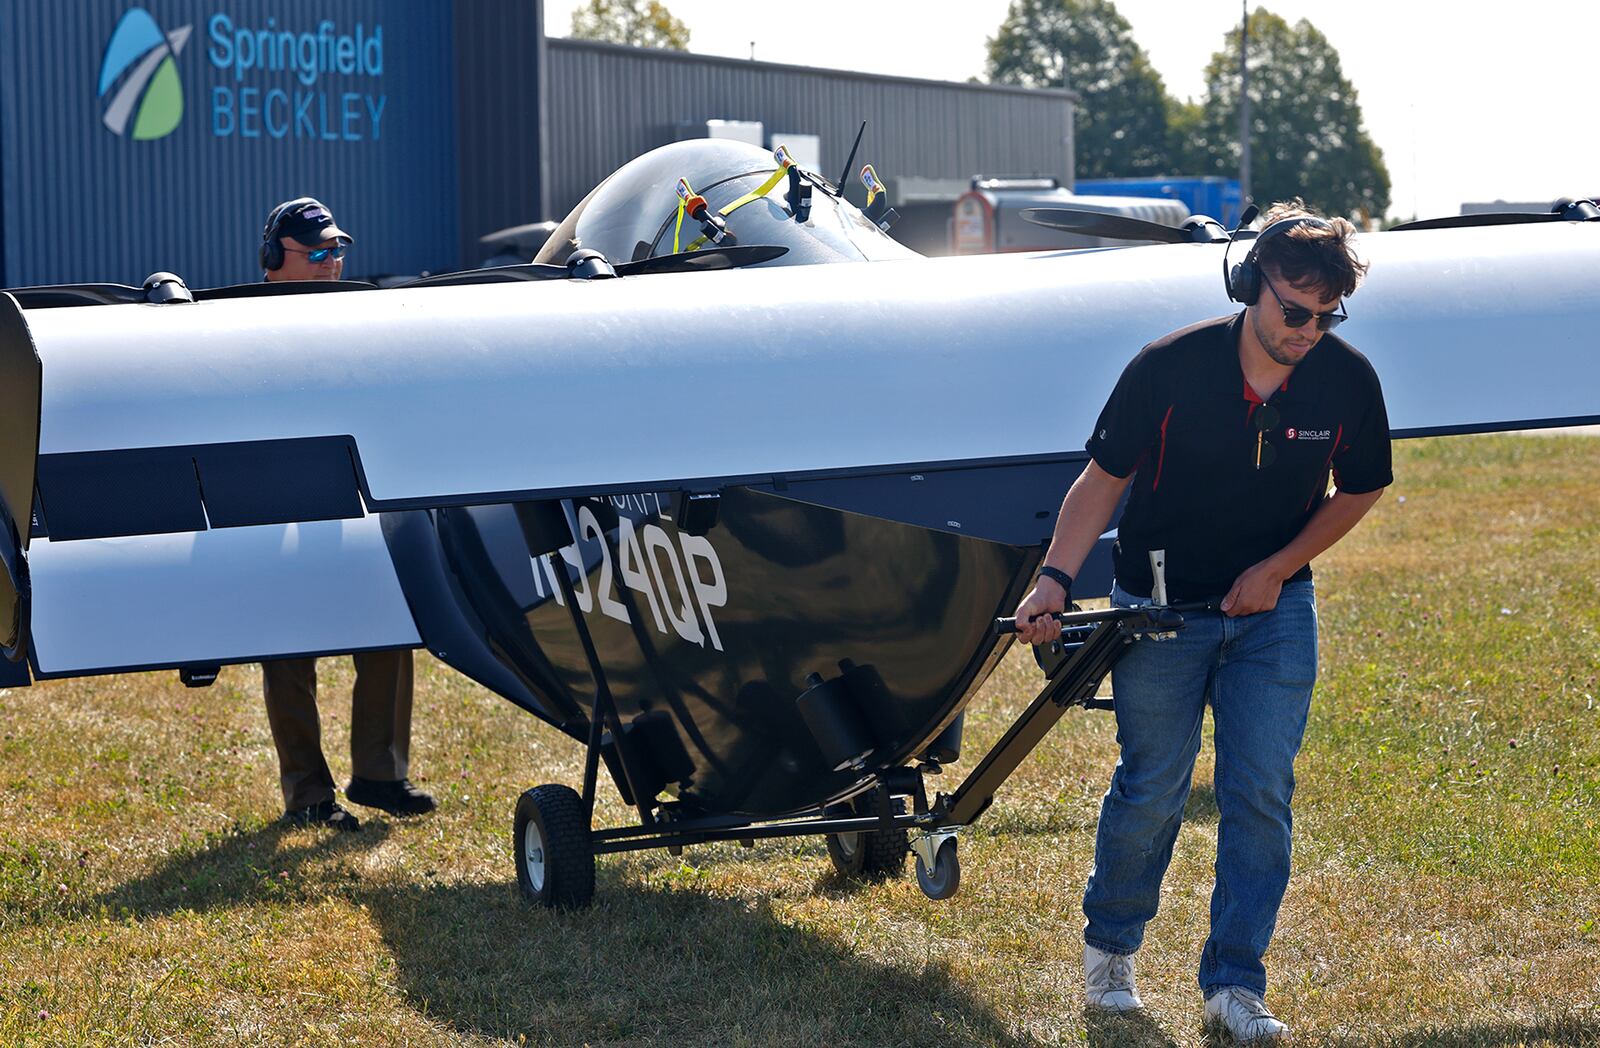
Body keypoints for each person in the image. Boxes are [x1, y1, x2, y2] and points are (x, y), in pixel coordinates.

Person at [1011, 200, 1389, 1043]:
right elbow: (1102, 482)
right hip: (1161, 609)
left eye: (1327, 316)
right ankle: (1111, 955)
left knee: (1259, 792)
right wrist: (1054, 579)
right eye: (1295, 311)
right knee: (1152, 788)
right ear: (1250, 286)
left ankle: (1234, 986)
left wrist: (1278, 569)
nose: (1308, 330)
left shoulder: (1347, 379)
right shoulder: (1167, 369)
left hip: (1275, 613)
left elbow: (1361, 486)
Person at [258, 197, 436, 831]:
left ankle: (380, 776)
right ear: (275, 262)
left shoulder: (359, 318)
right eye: (318, 253)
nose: (334, 264)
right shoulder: (243, 328)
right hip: (278, 504)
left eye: (339, 252)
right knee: (288, 649)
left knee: (389, 622)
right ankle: (307, 796)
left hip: (358, 496)